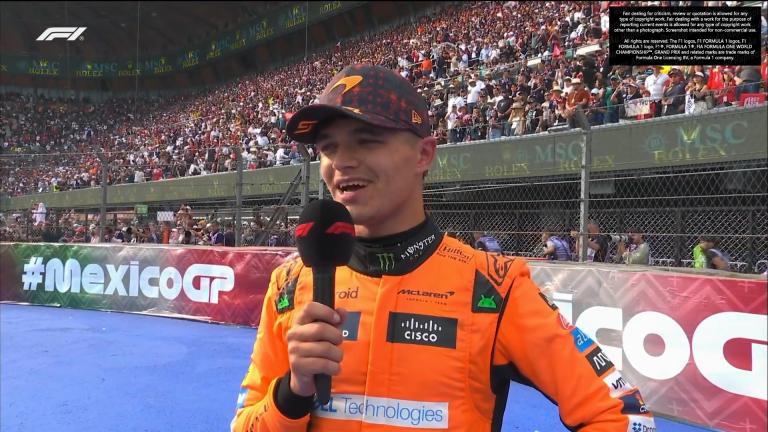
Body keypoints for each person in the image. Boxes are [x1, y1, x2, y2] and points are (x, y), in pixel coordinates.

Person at [231, 64, 654, 432]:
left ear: (424, 154)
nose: (341, 160)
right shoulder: (290, 283)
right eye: (328, 147)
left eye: (367, 140)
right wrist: (291, 394)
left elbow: (624, 414)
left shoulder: (494, 287)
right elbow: (246, 422)